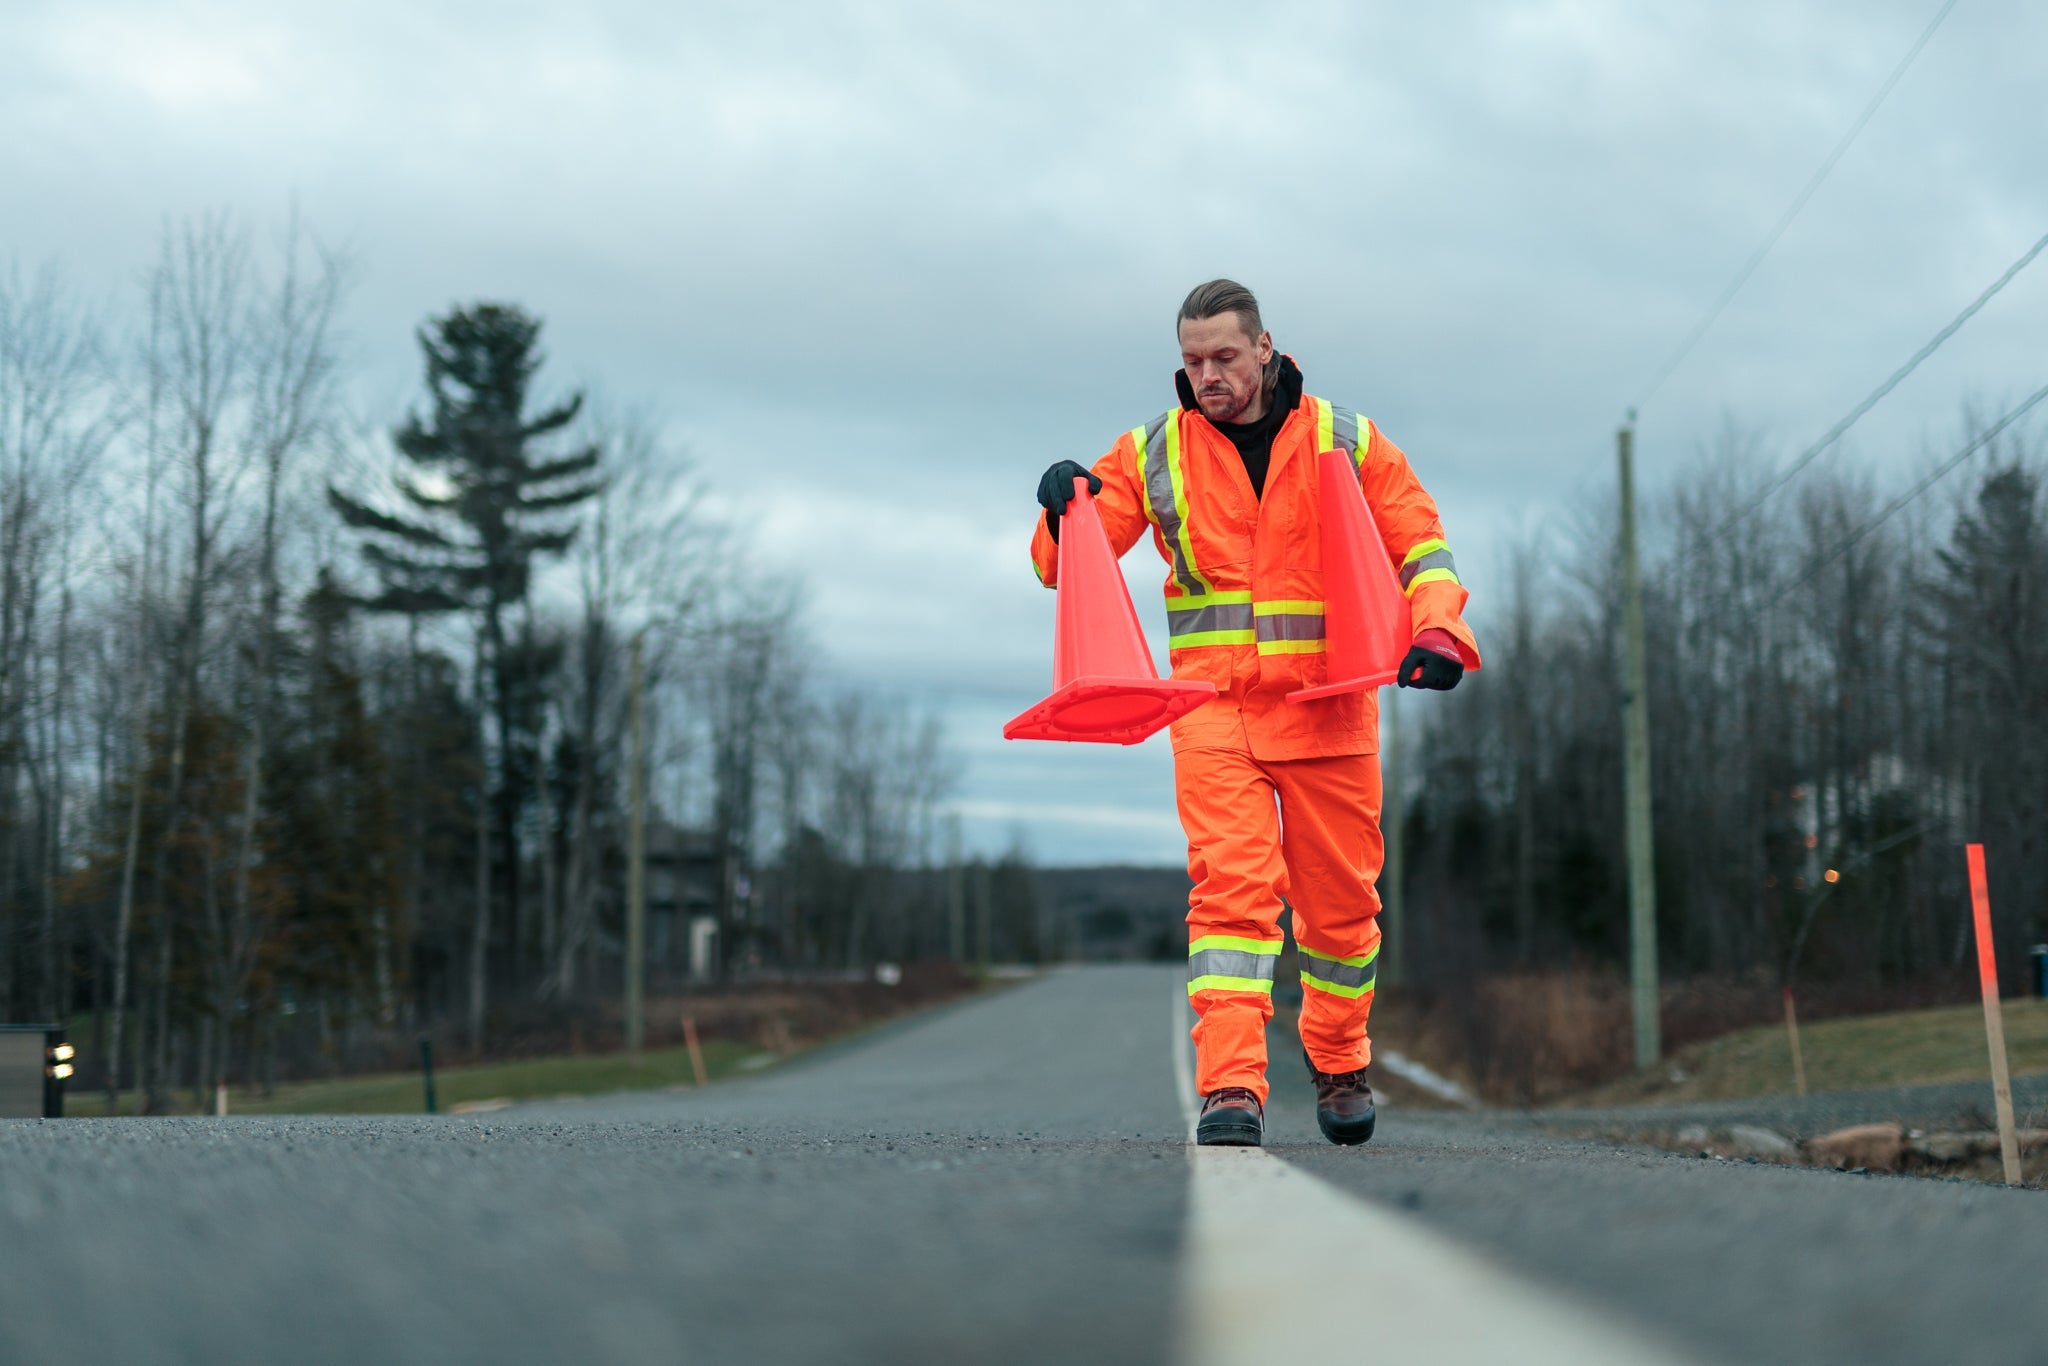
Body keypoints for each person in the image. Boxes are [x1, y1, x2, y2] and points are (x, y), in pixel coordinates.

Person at [1028, 280, 1479, 1146]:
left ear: (1265, 348)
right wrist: (1059, 507)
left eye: (1225, 358)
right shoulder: (1154, 449)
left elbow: (1420, 542)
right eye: (1193, 361)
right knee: (1231, 899)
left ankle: (1340, 1060)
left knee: (1342, 910)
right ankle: (1231, 1088)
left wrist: (1440, 632)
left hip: (1327, 708)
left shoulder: (1345, 440)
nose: (1208, 376)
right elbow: (1067, 560)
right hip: (1213, 713)